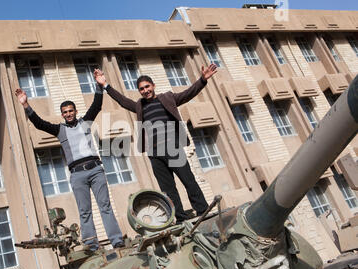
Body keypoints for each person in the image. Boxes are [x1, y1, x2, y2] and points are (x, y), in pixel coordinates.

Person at [94, 63, 217, 223]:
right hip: (154, 153)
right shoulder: (139, 106)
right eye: (142, 89)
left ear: (153, 86)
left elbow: (188, 94)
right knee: (168, 189)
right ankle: (180, 218)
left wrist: (202, 80)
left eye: (147, 87)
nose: (145, 91)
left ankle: (202, 211)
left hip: (172, 148)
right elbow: (122, 101)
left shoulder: (167, 98)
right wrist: (105, 85)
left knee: (188, 180)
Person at [15, 74, 124, 252]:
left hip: (95, 170)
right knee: (85, 212)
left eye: (70, 111)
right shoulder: (60, 130)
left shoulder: (85, 122)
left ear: (75, 111)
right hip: (77, 174)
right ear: (63, 115)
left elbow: (96, 105)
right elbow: (39, 124)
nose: (68, 114)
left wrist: (99, 85)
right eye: (65, 112)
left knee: (105, 206)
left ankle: (117, 240)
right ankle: (91, 245)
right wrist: (26, 104)